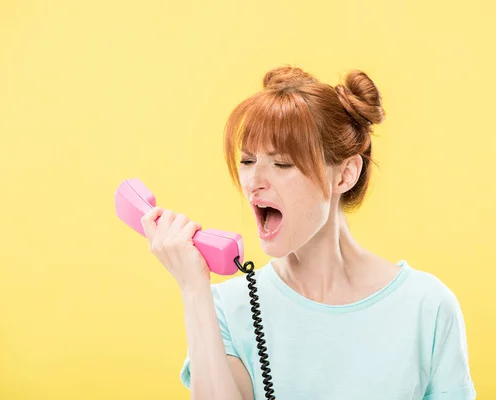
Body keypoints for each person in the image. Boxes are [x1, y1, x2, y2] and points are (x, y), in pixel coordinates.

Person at [140, 66, 477, 400]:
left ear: (345, 175)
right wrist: (193, 289)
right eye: (247, 161)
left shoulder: (427, 306)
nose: (254, 182)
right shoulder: (229, 308)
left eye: (282, 164)